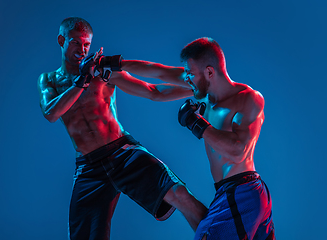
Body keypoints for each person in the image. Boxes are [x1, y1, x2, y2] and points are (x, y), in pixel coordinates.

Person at [37, 17, 208, 240]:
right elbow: (51, 113)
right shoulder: (49, 80)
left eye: (86, 44)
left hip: (121, 151)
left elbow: (153, 91)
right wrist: (81, 80)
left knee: (179, 194)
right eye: (75, 42)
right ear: (61, 40)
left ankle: (222, 235)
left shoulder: (102, 72)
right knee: (83, 236)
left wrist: (198, 89)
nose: (82, 49)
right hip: (88, 168)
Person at [120, 37, 275, 240]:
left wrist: (197, 124)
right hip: (227, 193)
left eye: (191, 74)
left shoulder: (248, 98)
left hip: (243, 192)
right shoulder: (203, 93)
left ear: (210, 72)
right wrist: (115, 67)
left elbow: (238, 151)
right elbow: (157, 77)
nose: (187, 79)